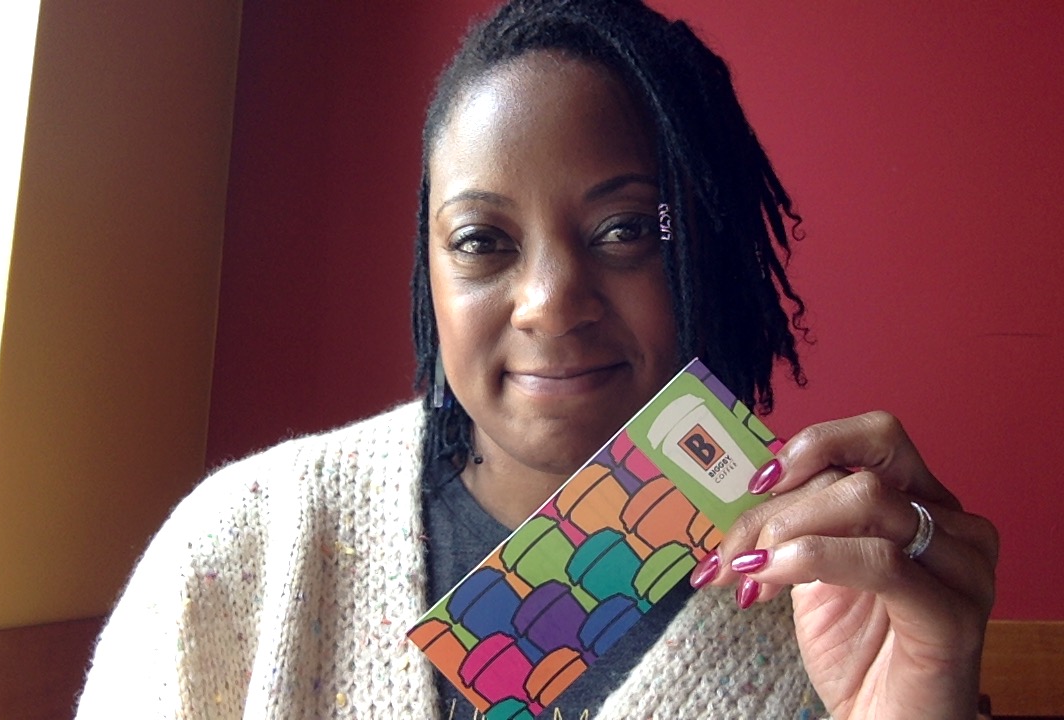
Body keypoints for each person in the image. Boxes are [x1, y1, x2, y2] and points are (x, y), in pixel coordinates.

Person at [76, 0, 998, 718]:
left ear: (706, 248)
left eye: (626, 228)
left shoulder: (838, 610)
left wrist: (923, 702)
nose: (551, 300)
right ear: (429, 273)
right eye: (482, 240)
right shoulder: (244, 550)